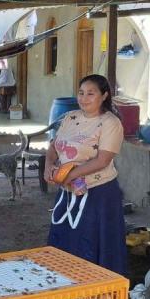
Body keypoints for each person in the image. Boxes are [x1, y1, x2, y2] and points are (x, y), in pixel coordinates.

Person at [45, 74, 126, 275]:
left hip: (98, 193)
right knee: (65, 239)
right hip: (68, 190)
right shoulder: (70, 117)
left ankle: (95, 293)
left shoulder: (110, 123)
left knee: (92, 242)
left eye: (91, 93)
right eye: (81, 93)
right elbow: (54, 146)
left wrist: (70, 175)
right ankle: (65, 287)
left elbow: (102, 160)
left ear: (104, 95)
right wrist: (48, 165)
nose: (84, 98)